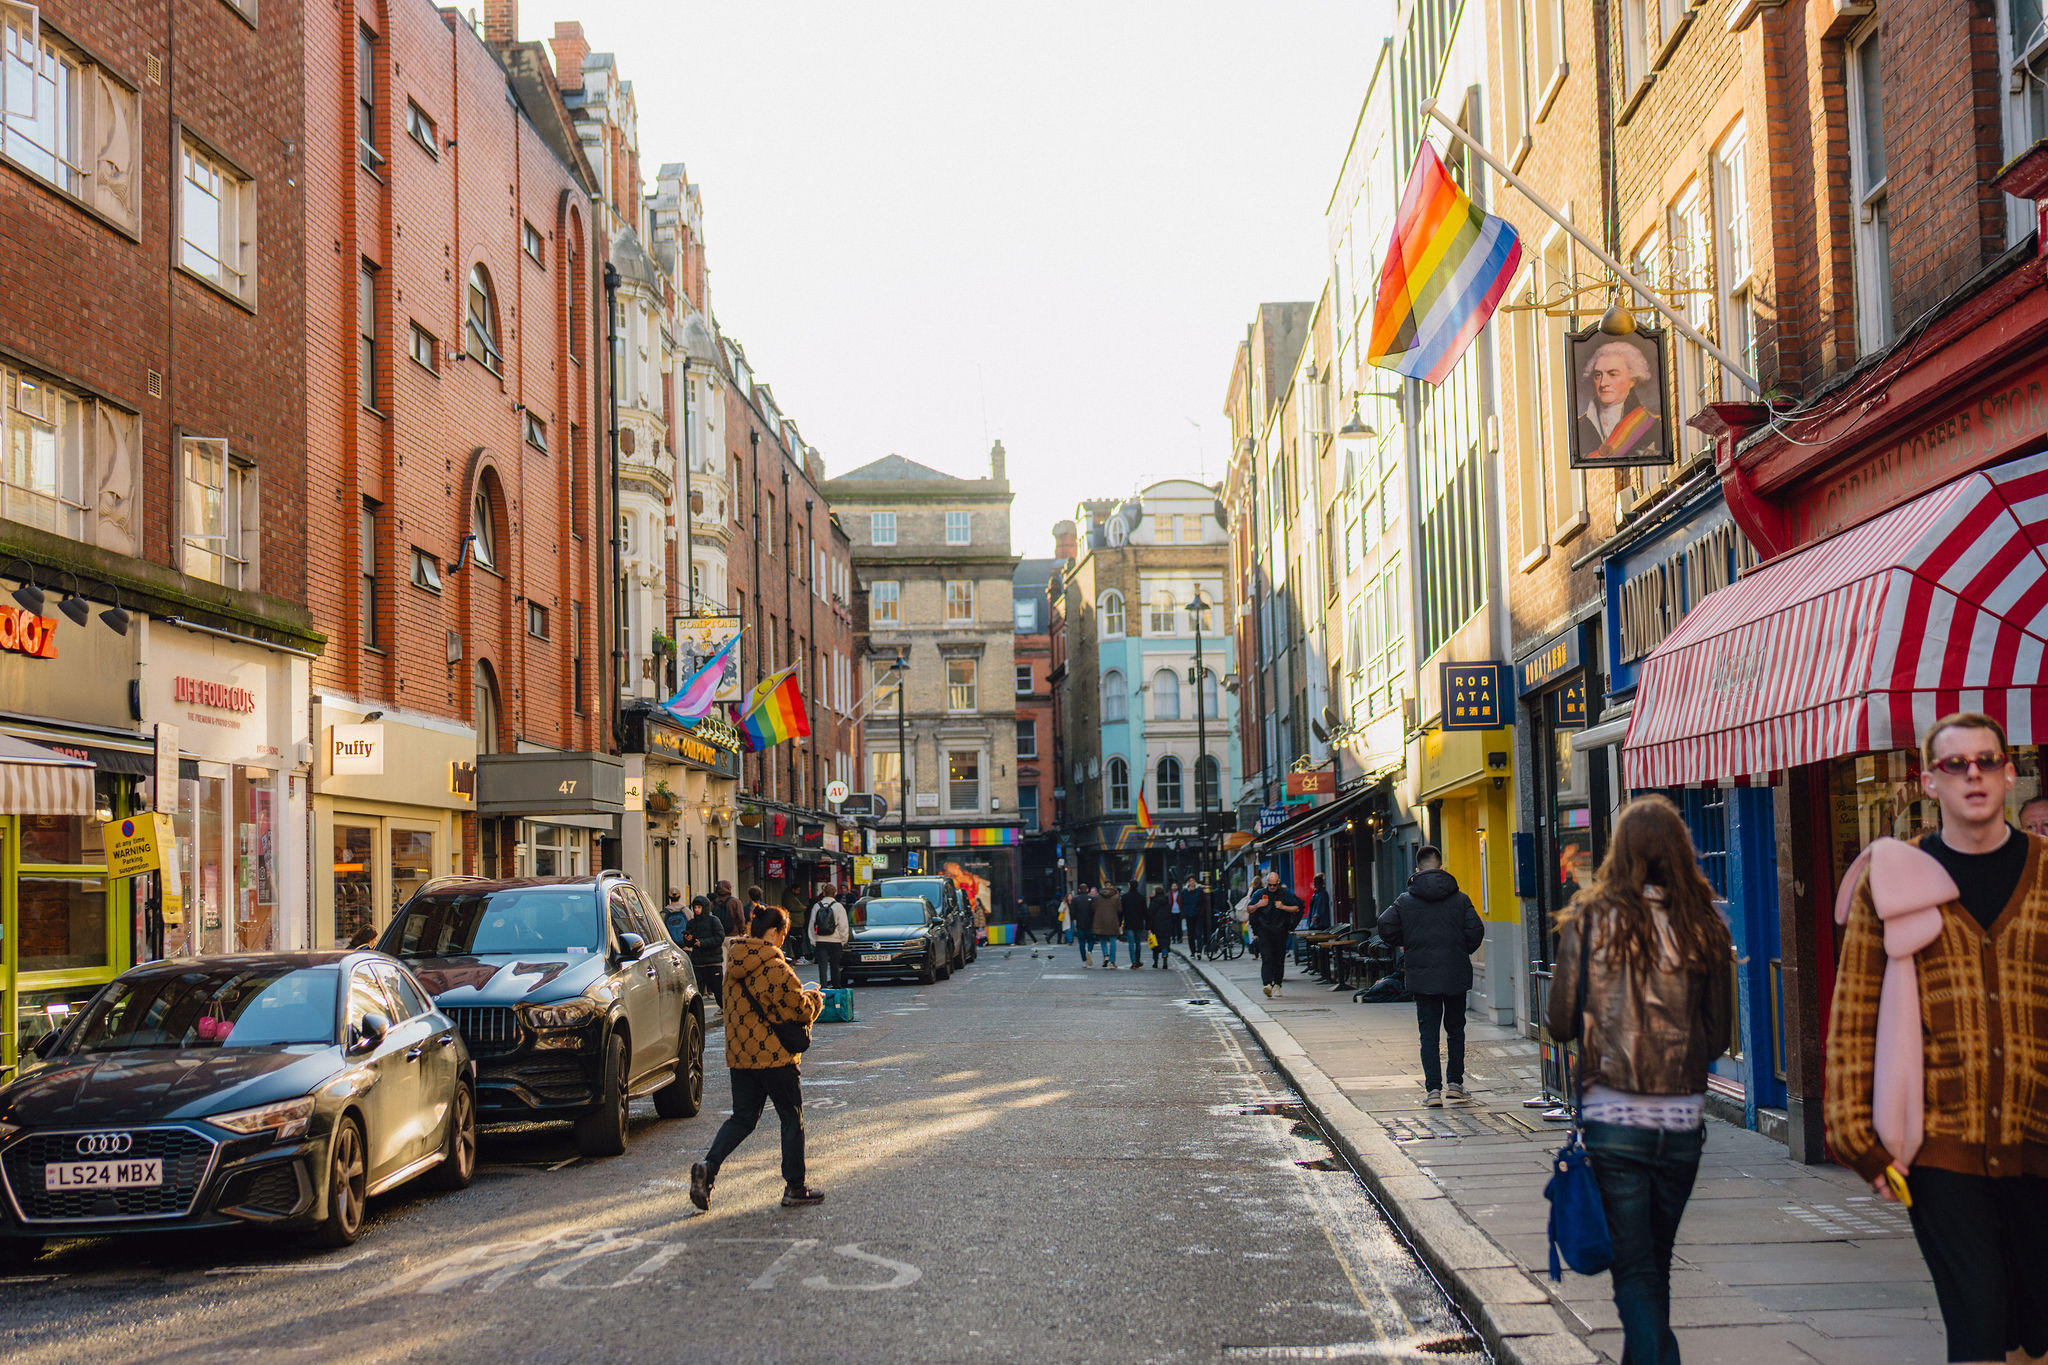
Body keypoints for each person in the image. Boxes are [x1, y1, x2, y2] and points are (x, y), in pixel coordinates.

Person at [1826, 713, 2048, 1365]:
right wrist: (1857, 1139)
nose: (1973, 774)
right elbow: (1854, 1014)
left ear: (2010, 773)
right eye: (1955, 764)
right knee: (1976, 1319)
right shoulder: (1891, 879)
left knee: (2036, 1336)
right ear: (1928, 781)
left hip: (2040, 1138)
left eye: (1987, 760)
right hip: (1943, 1146)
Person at [1546, 796, 1733, 1365]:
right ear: (1681, 852)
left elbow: (1557, 1021)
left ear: (1617, 852)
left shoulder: (1590, 920)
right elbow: (1719, 1036)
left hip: (1613, 1118)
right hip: (1679, 1121)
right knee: (1654, 1262)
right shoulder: (1703, 924)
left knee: (1637, 1268)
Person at [690, 903, 826, 1211]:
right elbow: (799, 1008)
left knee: (742, 1119)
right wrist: (815, 998)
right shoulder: (776, 967)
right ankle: (795, 1187)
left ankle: (708, 1167)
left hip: (742, 1058)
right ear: (775, 932)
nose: (782, 940)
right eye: (783, 934)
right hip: (776, 1058)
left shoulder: (734, 963)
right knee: (791, 1118)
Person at [1377, 845, 1485, 1107]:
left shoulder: (1404, 900)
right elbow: (1476, 931)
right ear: (1441, 867)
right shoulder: (1460, 899)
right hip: (1455, 973)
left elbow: (1384, 925)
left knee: (1428, 1033)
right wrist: (1459, 949)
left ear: (1417, 870)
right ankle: (1456, 1084)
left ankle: (1433, 1091)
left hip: (1422, 977)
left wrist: (1408, 942)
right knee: (1455, 1030)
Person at [1574, 338, 1661, 464]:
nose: (1603, 383)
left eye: (1612, 374)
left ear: (1632, 379)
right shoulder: (1580, 427)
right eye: (1598, 375)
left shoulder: (1651, 425)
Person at [1246, 872, 1303, 997]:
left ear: (1278, 883)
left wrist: (1283, 907)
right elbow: (1249, 909)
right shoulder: (1259, 894)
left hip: (1280, 930)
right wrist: (1258, 905)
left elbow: (1296, 908)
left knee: (1278, 959)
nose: (1272, 887)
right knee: (1266, 957)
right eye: (1270, 885)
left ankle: (1277, 984)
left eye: (1274, 885)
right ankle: (1267, 984)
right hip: (1264, 930)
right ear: (1267, 883)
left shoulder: (1285, 894)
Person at [680, 895, 726, 1003]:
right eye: (695, 907)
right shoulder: (692, 923)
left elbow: (719, 937)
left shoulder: (713, 921)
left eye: (699, 907)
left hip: (713, 961)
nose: (696, 910)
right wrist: (688, 939)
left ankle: (723, 1007)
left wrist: (703, 943)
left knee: (718, 989)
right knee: (697, 991)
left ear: (704, 908)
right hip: (698, 962)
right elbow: (689, 943)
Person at [808, 883, 849, 990]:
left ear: (824, 892)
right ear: (835, 893)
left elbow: (812, 925)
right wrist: (843, 941)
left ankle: (824, 988)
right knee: (835, 966)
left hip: (820, 941)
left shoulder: (817, 906)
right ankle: (836, 988)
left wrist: (813, 941)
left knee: (822, 967)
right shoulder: (839, 906)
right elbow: (843, 926)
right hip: (835, 941)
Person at [1091, 881, 1124, 968]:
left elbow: (1093, 908)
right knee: (1113, 941)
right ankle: (1112, 962)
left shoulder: (1098, 897)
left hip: (1100, 921)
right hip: (1112, 921)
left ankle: (1106, 955)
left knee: (1103, 940)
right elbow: (1120, 910)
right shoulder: (1116, 897)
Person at [1120, 876, 1148, 971]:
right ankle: (1138, 959)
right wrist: (1148, 924)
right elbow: (1145, 912)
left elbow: (1121, 911)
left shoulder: (1124, 897)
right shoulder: (1141, 897)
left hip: (1129, 923)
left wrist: (1120, 923)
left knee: (1131, 943)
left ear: (1129, 886)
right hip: (1139, 923)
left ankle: (1133, 962)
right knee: (1138, 943)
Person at [1146, 883, 1175, 968]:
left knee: (1155, 944)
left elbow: (1150, 915)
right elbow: (1170, 914)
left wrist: (1149, 927)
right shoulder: (1167, 902)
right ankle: (1165, 958)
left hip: (1156, 926)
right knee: (1165, 943)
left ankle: (1155, 962)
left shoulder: (1153, 902)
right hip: (1166, 925)